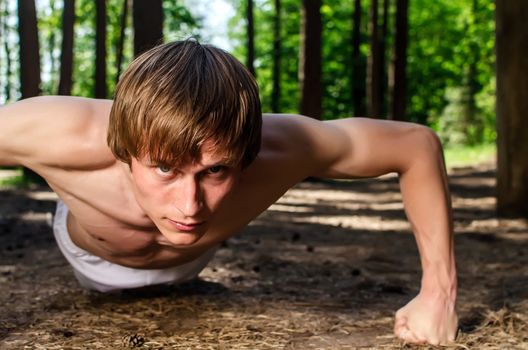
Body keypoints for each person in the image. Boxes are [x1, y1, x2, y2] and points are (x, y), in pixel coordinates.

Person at [0, 40, 457, 345]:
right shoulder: (61, 135)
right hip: (90, 254)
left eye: (215, 171)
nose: (189, 205)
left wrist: (439, 295)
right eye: (163, 167)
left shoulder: (285, 149)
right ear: (124, 151)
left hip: (191, 261)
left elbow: (415, 145)